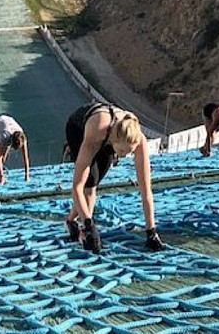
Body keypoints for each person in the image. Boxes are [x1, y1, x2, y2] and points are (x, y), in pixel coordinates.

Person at [65, 102, 163, 253]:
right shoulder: (97, 130)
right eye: (122, 151)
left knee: (95, 182)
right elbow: (77, 187)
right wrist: (90, 226)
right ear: (114, 140)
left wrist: (151, 231)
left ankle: (71, 220)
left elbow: (145, 190)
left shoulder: (139, 140)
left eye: (130, 152)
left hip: (109, 137)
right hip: (79, 129)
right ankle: (83, 228)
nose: (124, 155)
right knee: (89, 186)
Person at [0, 113, 30, 184]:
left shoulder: (23, 137)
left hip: (6, 124)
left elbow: (25, 157)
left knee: (4, 158)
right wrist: (2, 177)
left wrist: (27, 176)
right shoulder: (5, 136)